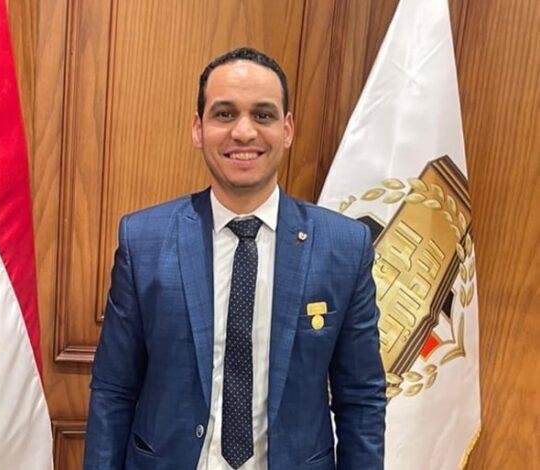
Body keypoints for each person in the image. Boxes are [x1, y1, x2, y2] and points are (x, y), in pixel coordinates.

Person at [84, 47, 385, 470]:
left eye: (263, 115)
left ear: (287, 129)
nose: (244, 132)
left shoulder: (343, 247)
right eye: (224, 114)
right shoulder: (144, 240)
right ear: (198, 129)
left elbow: (361, 398)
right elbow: (113, 389)